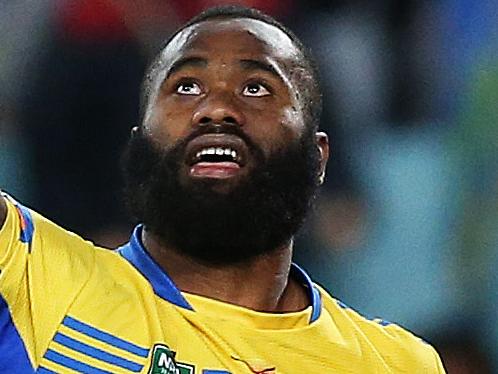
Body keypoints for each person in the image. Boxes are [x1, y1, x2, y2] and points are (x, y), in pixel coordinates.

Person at [0, 5, 445, 373]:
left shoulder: (397, 364)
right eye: (186, 86)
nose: (216, 107)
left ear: (319, 158)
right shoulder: (30, 276)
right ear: (138, 144)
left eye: (256, 87)